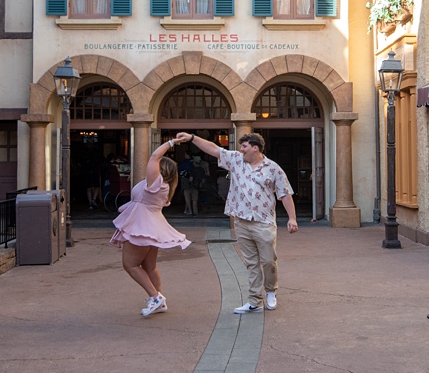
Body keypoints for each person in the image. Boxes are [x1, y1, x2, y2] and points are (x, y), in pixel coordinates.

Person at [175, 131, 296, 314]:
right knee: (251, 263)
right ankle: (255, 301)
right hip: (241, 221)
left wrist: (292, 218)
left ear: (255, 148)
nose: (241, 149)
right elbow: (214, 149)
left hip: (264, 222)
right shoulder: (236, 160)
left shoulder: (273, 168)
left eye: (244, 146)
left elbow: (285, 194)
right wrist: (192, 138)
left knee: (269, 261)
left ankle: (271, 291)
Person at [110, 136, 191, 317]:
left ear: (161, 168)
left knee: (130, 264)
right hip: (151, 223)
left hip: (142, 225)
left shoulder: (156, 182)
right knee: (149, 266)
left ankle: (155, 297)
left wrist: (171, 143)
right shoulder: (164, 186)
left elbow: (154, 157)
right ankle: (158, 298)